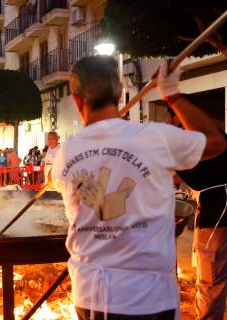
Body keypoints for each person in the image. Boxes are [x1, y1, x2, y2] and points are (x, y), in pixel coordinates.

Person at [48, 56, 225, 320]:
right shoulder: (155, 138)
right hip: (151, 299)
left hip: (91, 297)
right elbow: (217, 142)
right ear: (120, 92)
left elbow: (53, 179)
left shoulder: (65, 153)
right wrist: (172, 95)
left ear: (76, 101)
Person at [166, 107, 227, 319]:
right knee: (216, 277)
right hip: (217, 208)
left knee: (211, 280)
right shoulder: (213, 133)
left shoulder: (195, 140)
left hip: (218, 213)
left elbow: (183, 173)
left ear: (176, 115)